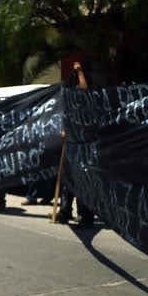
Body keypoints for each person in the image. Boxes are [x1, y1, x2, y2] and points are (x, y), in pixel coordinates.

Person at [56, 61, 95, 228]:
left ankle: (86, 217)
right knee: (68, 183)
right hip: (71, 149)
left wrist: (79, 71)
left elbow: (84, 88)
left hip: (84, 150)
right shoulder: (69, 107)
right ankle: (64, 212)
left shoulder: (84, 104)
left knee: (83, 185)